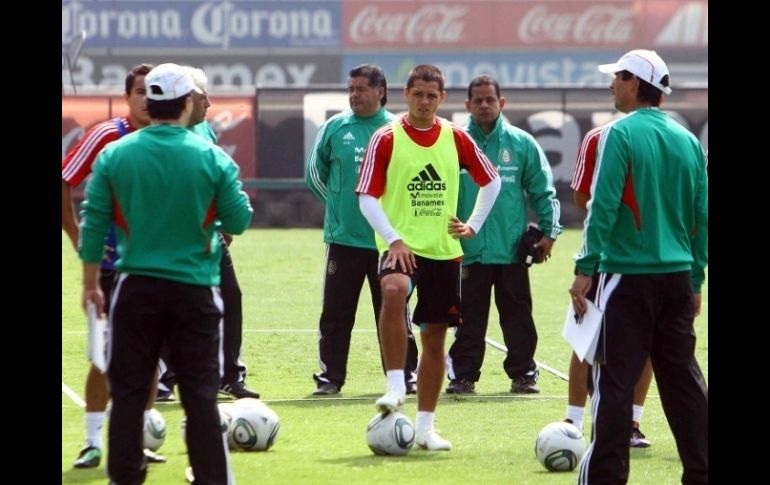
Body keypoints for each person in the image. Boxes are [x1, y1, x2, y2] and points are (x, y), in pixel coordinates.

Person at [79, 63, 251, 484]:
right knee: (200, 396)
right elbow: (239, 218)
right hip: (195, 290)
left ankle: (125, 477)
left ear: (150, 102)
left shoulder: (115, 155)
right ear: (187, 102)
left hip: (134, 288)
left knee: (129, 393)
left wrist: (89, 283)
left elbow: (93, 222)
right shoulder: (211, 157)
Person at [569, 50, 708, 484]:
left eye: (617, 77)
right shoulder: (688, 141)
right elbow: (702, 216)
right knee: (683, 381)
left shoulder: (619, 133)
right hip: (677, 278)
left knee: (614, 381)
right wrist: (696, 279)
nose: (611, 84)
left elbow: (602, 206)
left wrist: (585, 267)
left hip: (626, 277)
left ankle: (605, 478)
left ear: (634, 82)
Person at [356, 64, 501, 451]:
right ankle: (394, 384)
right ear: (406, 94)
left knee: (434, 339)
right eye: (418, 94)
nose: (424, 102)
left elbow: (492, 180)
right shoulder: (386, 137)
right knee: (392, 289)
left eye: (431, 96)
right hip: (401, 247)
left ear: (442, 98)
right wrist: (394, 240)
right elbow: (366, 196)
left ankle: (425, 429)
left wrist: (472, 225)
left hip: (444, 252)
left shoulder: (456, 137)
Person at [61, 63, 167, 468]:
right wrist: (76, 236)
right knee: (103, 356)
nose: (147, 99)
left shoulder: (172, 137)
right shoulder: (107, 135)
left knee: (150, 356)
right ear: (127, 97)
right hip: (107, 267)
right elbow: (65, 178)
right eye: (139, 91)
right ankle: (91, 442)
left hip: (153, 267)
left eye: (153, 91)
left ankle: (139, 439)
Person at [305, 64, 419, 396]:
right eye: (351, 89)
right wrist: (340, 209)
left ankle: (404, 376)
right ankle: (330, 377)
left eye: (361, 89)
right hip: (343, 240)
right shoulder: (335, 128)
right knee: (336, 314)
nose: (354, 95)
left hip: (388, 242)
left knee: (395, 310)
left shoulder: (399, 129)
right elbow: (314, 175)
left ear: (380, 92)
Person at [445, 74, 561, 395]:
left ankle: (524, 374)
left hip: (511, 250)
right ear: (467, 104)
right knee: (468, 319)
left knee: (518, 316)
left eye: (490, 99)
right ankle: (463, 376)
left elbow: (543, 191)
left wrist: (550, 233)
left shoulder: (522, 143)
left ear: (501, 103)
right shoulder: (453, 142)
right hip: (468, 249)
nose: (484, 105)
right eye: (478, 100)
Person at [156, 66, 260, 402]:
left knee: (230, 297)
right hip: (167, 240)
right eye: (203, 97)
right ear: (186, 100)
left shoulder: (204, 131)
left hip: (207, 237)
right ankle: (167, 376)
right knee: (167, 305)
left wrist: (224, 224)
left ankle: (229, 375)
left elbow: (222, 191)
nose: (209, 104)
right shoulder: (153, 138)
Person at [567, 124, 655, 448]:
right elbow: (582, 197)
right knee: (586, 339)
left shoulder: (668, 138)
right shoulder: (597, 137)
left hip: (645, 259)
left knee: (647, 343)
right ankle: (573, 422)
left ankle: (631, 422)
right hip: (611, 257)